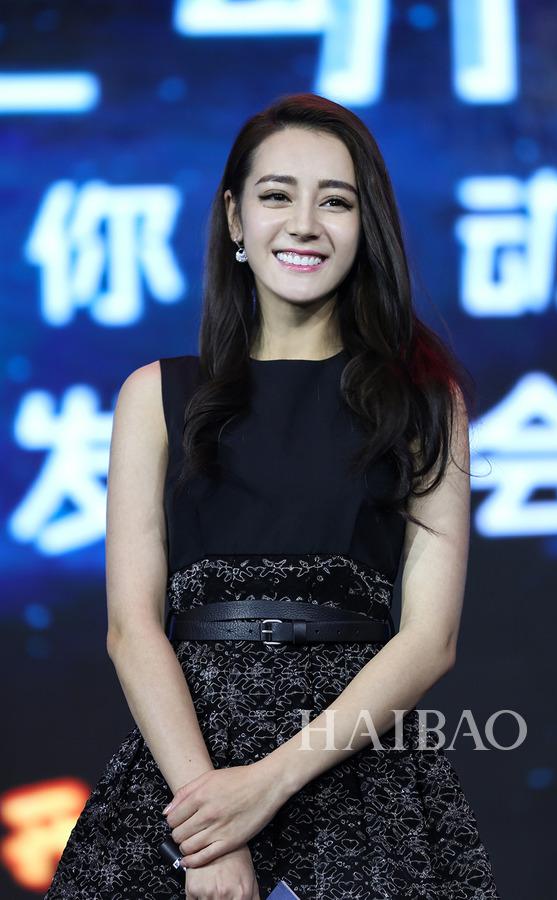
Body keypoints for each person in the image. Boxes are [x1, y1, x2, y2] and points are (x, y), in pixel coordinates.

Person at [45, 92, 499, 900]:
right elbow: (131, 627)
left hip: (359, 773)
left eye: (336, 202)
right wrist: (208, 828)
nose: (304, 224)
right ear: (235, 218)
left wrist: (264, 786)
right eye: (277, 195)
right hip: (186, 765)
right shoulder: (155, 397)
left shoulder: (425, 404)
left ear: (366, 227)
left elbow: (429, 640)